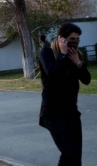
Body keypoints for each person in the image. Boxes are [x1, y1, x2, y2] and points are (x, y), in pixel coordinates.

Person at [38, 22, 91, 166]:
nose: (75, 42)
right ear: (62, 39)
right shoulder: (47, 52)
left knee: (76, 156)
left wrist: (78, 63)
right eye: (72, 39)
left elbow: (86, 80)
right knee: (69, 152)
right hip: (52, 114)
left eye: (77, 39)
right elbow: (52, 75)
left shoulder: (75, 55)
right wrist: (62, 54)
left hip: (71, 112)